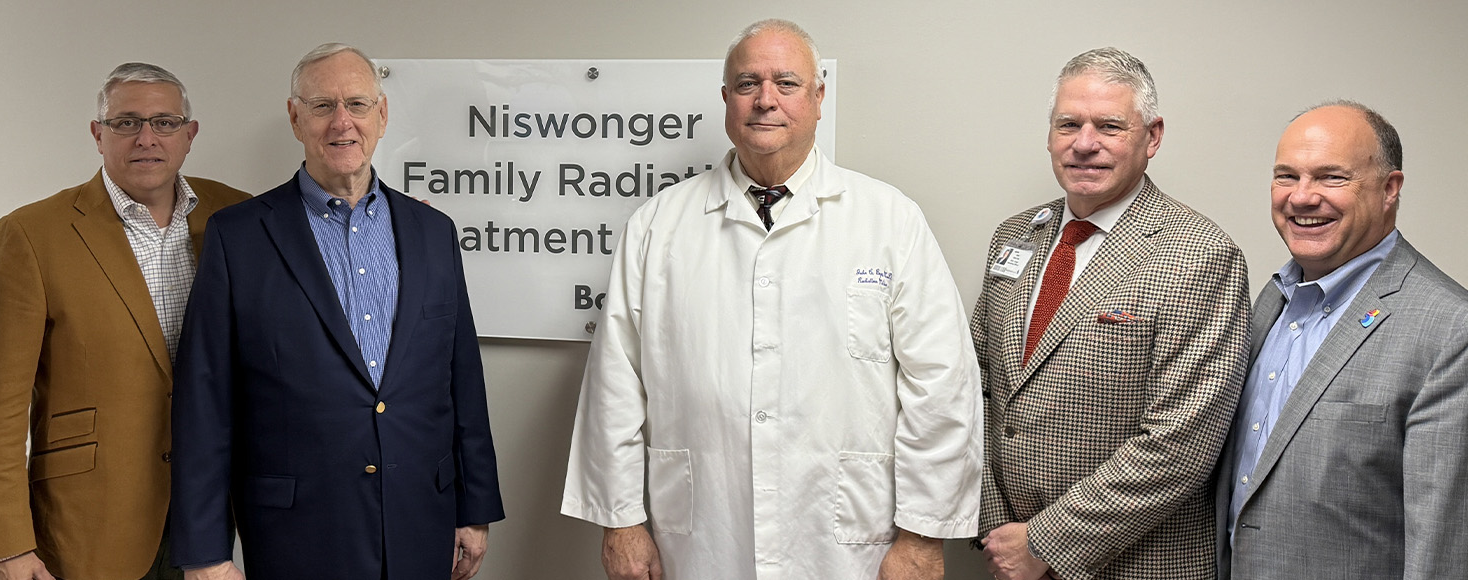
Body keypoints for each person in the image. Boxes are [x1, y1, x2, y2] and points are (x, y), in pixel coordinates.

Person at [561, 19, 983, 580]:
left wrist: (924, 538)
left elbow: (943, 387)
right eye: (746, 84)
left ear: (818, 97)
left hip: (849, 541)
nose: (766, 101)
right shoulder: (658, 225)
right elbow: (614, 383)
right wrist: (620, 522)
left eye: (786, 83)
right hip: (702, 537)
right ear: (725, 99)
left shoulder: (889, 220)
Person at [168, 43, 504, 580]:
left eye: (357, 104)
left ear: (383, 115)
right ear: (295, 117)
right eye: (322, 106)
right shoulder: (239, 235)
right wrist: (206, 551)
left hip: (421, 519)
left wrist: (476, 506)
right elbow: (204, 400)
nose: (342, 122)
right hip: (296, 532)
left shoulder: (432, 232)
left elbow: (462, 377)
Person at [0, 63, 252, 580]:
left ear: (190, 135)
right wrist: (6, 543)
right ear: (98, 135)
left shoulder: (236, 214)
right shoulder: (31, 234)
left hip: (217, 515)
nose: (146, 138)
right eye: (126, 123)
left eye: (165, 122)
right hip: (89, 521)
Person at [972, 48, 1250, 580]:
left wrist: (1046, 543)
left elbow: (1181, 441)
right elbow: (976, 383)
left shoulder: (1200, 253)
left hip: (1134, 564)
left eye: (1110, 126)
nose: (1084, 143)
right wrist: (995, 525)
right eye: (1068, 124)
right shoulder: (1014, 236)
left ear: (1153, 136)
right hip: (1007, 554)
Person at [1215, 102, 1468, 579]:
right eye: (1286, 176)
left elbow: (1443, 548)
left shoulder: (1450, 331)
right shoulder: (1272, 300)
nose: (1302, 198)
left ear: (1390, 189)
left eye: (1332, 178)